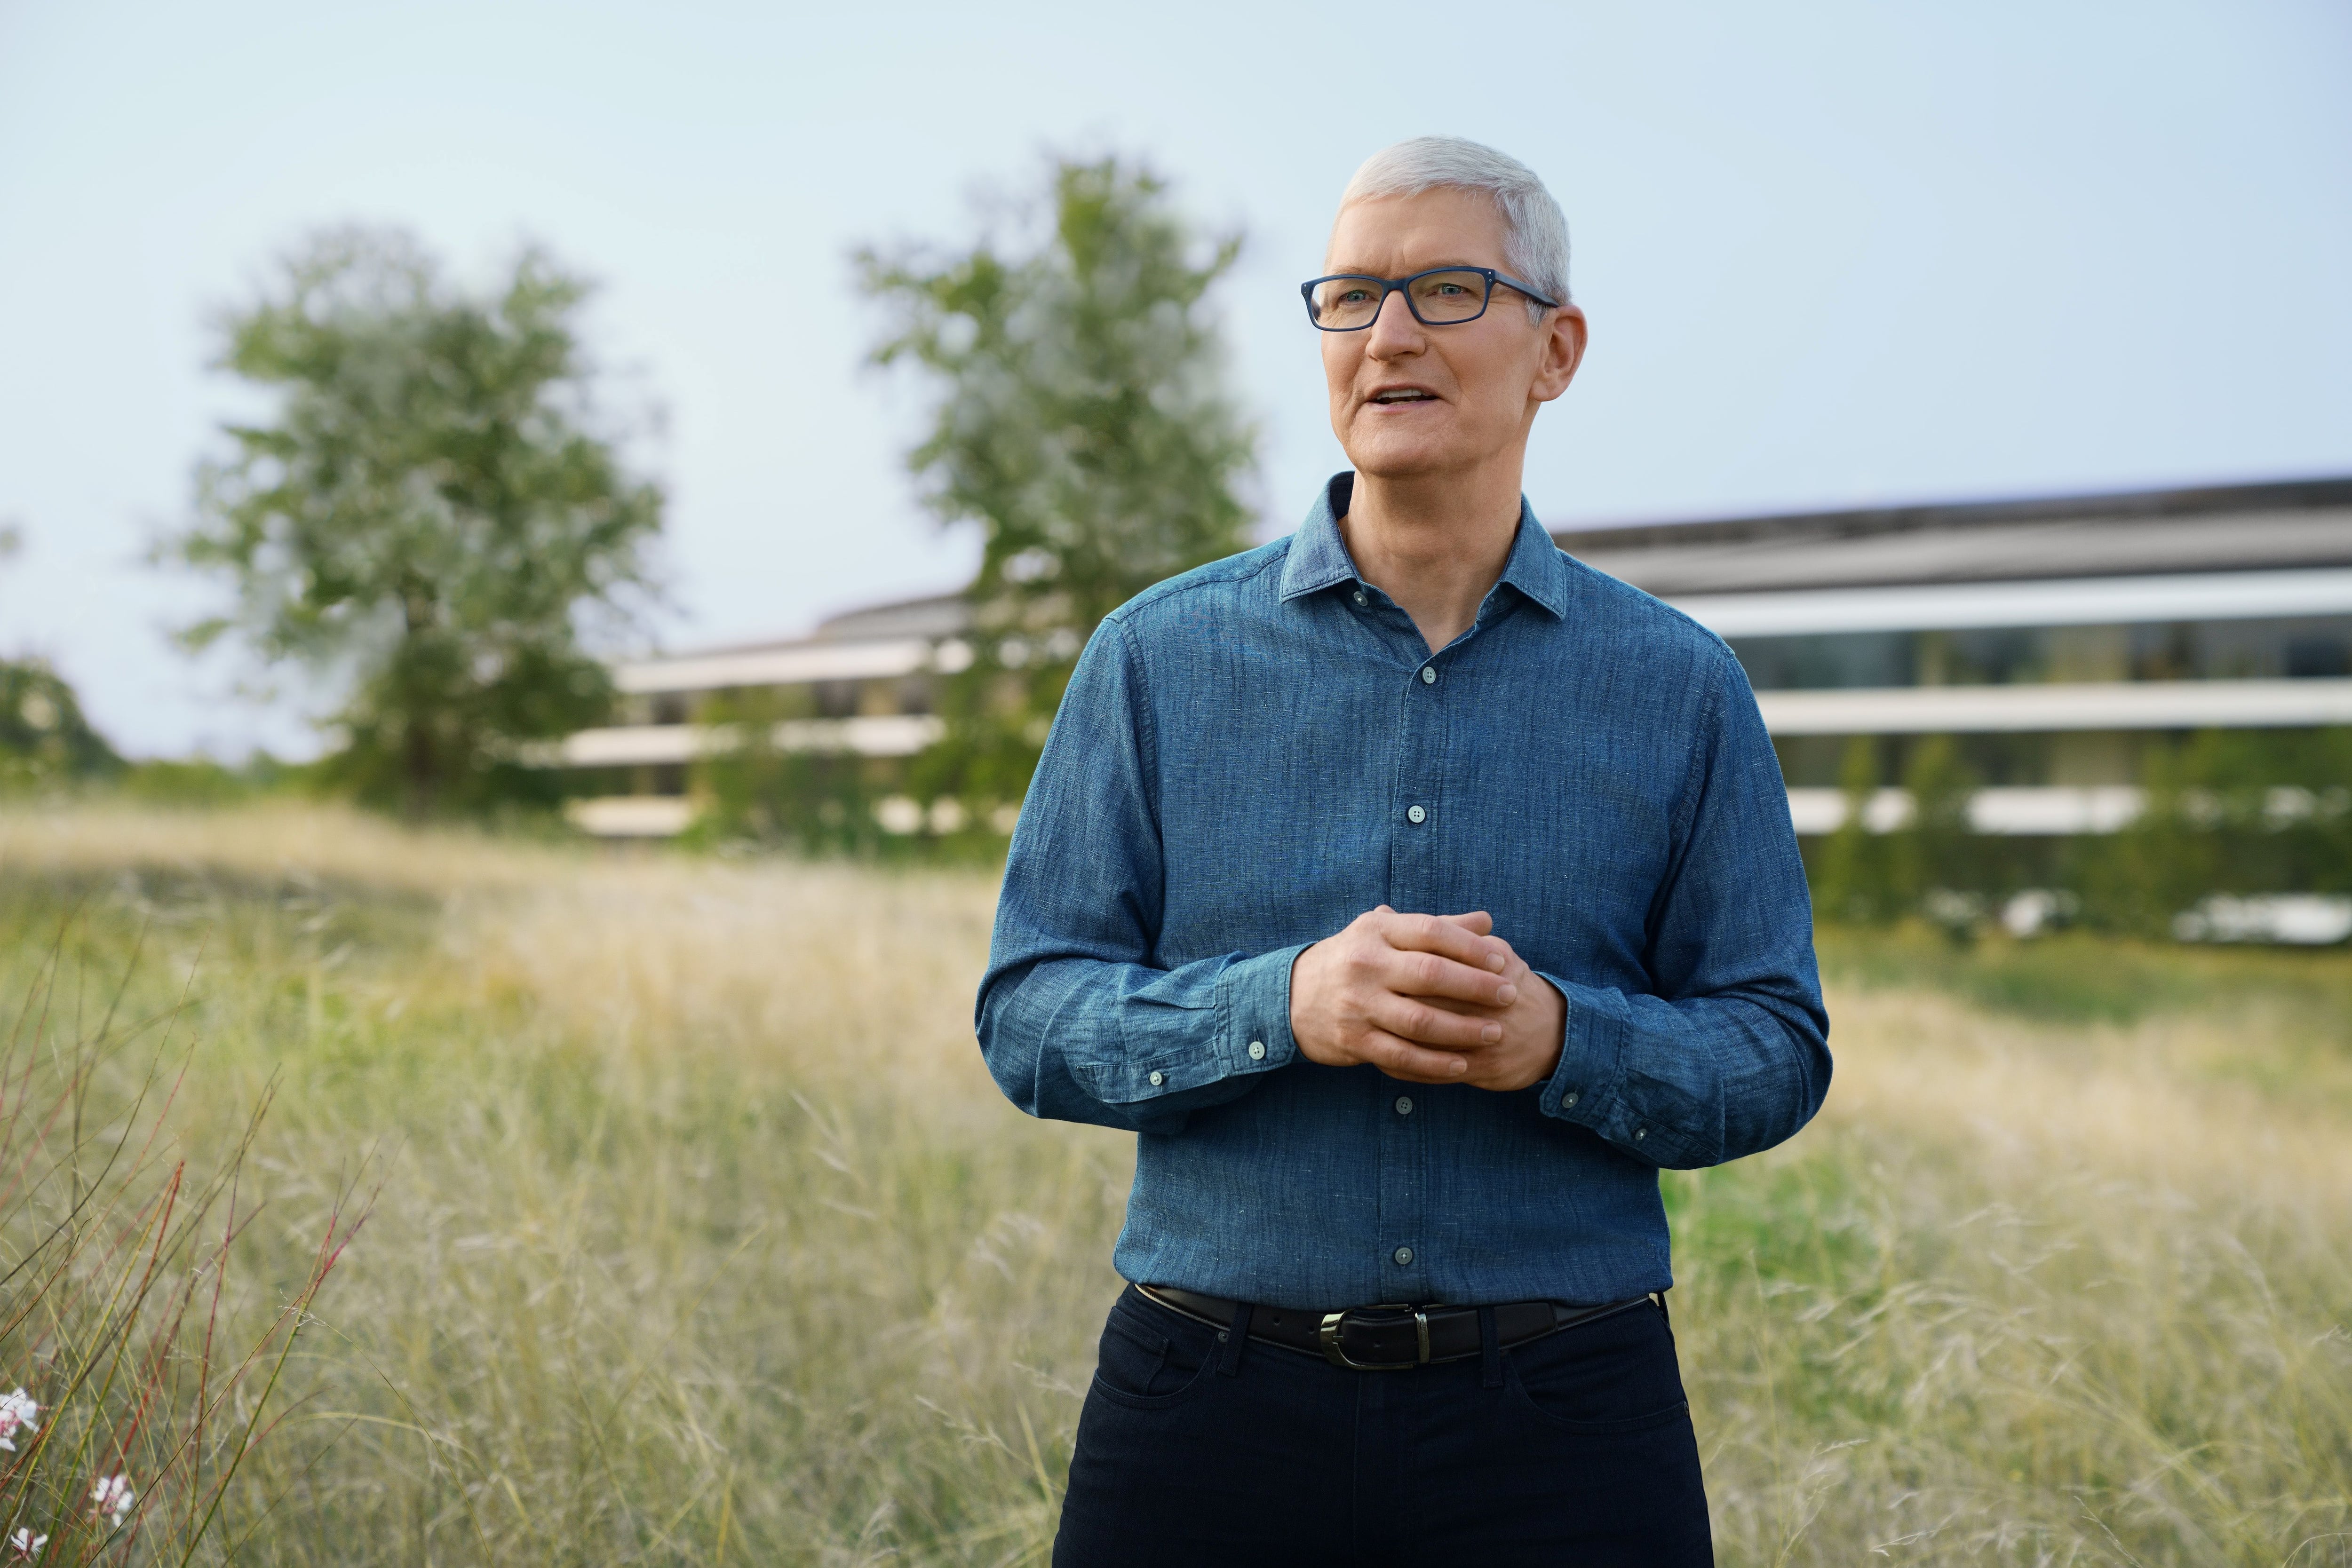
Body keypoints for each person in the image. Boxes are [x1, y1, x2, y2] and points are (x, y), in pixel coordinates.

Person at [977, 135, 1830, 1568]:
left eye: (1444, 290)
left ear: (1555, 350)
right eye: (1351, 297)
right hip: (1207, 1413)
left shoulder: (1682, 688)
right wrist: (1284, 1006)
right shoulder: (1154, 660)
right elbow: (1028, 1017)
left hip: (1565, 1424)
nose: (1386, 335)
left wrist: (1564, 1040)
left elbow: (1775, 1048)